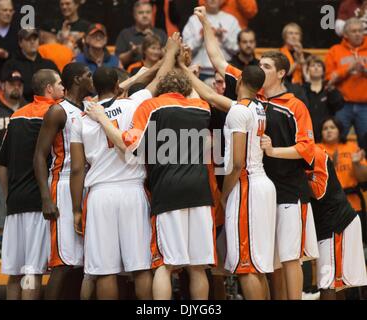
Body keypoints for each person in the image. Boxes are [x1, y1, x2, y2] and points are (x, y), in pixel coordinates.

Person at [191, 6, 319, 300]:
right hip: (264, 186)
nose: (260, 69)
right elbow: (217, 58)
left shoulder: (295, 104)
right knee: (265, 260)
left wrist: (274, 150)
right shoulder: (254, 97)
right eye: (259, 64)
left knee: (288, 258)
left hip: (287, 188)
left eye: (267, 66)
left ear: (282, 73)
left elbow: (306, 148)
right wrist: (205, 22)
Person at [86, 44, 216, 300]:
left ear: (164, 89)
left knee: (165, 265)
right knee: (198, 266)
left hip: (168, 190)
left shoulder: (151, 106)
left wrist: (102, 118)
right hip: (200, 190)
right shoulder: (202, 107)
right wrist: (182, 65)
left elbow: (128, 143)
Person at [180, 61, 277, 300]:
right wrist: (182, 67)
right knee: (258, 265)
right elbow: (210, 94)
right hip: (262, 182)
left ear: (240, 81)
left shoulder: (238, 111)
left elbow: (236, 162)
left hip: (247, 184)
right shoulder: (257, 107)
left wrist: (224, 195)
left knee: (246, 266)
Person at [0, 69, 64, 300]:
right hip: (40, 205)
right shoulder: (55, 114)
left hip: (15, 204)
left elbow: (2, 163)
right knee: (32, 272)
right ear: (49, 89)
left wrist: (8, 196)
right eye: (59, 84)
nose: (62, 88)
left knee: (14, 274)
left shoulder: (15, 117)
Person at [33, 63, 94, 300]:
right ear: (78, 80)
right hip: (64, 184)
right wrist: (45, 198)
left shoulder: (90, 107)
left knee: (84, 263)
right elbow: (39, 155)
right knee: (63, 262)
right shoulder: (58, 111)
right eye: (89, 76)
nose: (92, 79)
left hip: (87, 183)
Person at [307, 145, 367, 300]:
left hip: (337, 224)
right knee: (334, 284)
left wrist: (294, 178)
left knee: (327, 283)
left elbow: (319, 192)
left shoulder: (316, 153)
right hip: (326, 225)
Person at [0, 70, 25, 257]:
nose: (16, 86)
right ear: (2, 85)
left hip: (23, 171)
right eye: (12, 83)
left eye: (19, 83)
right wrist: (2, 158)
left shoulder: (28, 107)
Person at [318, 117, 367, 241]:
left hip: (353, 204)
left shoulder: (351, 147)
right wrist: (331, 166)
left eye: (332, 127)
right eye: (325, 128)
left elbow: (363, 178)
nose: (329, 131)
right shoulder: (316, 149)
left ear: (339, 130)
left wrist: (356, 163)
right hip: (328, 206)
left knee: (356, 245)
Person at [325, 18, 367, 147]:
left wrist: (365, 69)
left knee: (366, 145)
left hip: (365, 106)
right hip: (343, 105)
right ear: (346, 35)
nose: (358, 34)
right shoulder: (335, 50)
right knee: (336, 141)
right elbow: (329, 79)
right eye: (354, 31)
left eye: (360, 31)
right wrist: (348, 69)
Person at [183, 0, 241, 80]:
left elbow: (238, 48)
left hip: (225, 72)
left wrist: (223, 38)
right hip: (199, 72)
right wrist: (201, 37)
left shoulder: (231, 20)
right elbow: (185, 49)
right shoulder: (193, 20)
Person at [1, 29, 59, 101]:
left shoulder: (49, 64)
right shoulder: (11, 65)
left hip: (49, 107)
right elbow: (6, 91)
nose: (32, 42)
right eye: (28, 39)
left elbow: (60, 87)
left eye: (35, 39)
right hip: (21, 106)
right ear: (20, 43)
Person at [302, 56, 344, 142]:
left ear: (323, 71)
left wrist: (332, 91)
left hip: (325, 132)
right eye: (313, 66)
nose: (316, 68)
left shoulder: (330, 88)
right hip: (306, 130)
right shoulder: (302, 89)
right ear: (307, 71)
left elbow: (338, 106)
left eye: (319, 66)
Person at [115, 1, 167, 69]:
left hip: (158, 72)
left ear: (152, 14)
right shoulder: (125, 34)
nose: (145, 15)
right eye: (141, 13)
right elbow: (118, 60)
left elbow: (169, 56)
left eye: (148, 12)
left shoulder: (161, 33)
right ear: (135, 15)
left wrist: (154, 42)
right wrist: (132, 52)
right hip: (132, 74)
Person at [0, 0, 19, 80]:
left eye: (11, 10)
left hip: (13, 82)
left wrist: (7, 55)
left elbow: (23, 57)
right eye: (4, 10)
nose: (8, 13)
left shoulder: (18, 32)